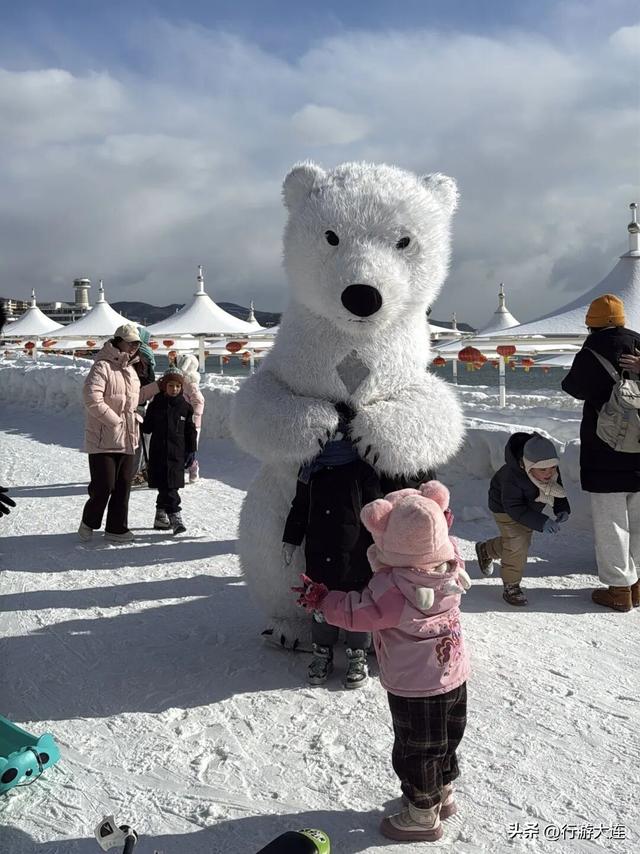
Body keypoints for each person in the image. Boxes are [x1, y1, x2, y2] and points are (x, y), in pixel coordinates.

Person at [294, 481, 470, 843]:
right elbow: (439, 536)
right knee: (443, 739)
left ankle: (422, 814)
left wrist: (323, 600)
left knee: (415, 748)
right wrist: (436, 520)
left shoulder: (394, 589)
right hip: (453, 676)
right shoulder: (450, 564)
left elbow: (358, 612)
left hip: (414, 685)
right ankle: (442, 791)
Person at [282, 404, 383, 688]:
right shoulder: (310, 469)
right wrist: (291, 539)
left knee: (356, 603)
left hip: (356, 551)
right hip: (319, 548)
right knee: (320, 601)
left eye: (339, 430)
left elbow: (376, 510)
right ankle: (322, 652)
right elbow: (300, 506)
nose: (334, 437)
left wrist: (382, 542)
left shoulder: (362, 470)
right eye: (330, 430)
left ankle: (357, 654)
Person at [561, 294, 640, 611]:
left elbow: (573, 387)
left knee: (612, 525)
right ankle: (638, 585)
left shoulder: (592, 351)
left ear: (591, 324)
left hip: (605, 453)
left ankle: (620, 590)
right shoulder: (638, 343)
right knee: (639, 522)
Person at [79, 324, 158, 543]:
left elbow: (135, 397)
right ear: (118, 341)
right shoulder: (102, 366)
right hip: (103, 437)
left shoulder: (131, 369)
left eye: (137, 343)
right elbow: (91, 398)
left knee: (124, 485)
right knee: (104, 486)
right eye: (130, 342)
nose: (134, 346)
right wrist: (114, 421)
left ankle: (117, 528)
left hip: (128, 436)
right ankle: (89, 521)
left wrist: (157, 386)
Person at [475, 432, 571, 606]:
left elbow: (556, 489)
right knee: (517, 543)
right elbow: (514, 507)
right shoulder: (512, 477)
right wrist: (542, 521)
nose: (549, 473)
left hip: (530, 509)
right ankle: (511, 585)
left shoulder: (549, 472)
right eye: (543, 469)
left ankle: (486, 550)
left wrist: (561, 508)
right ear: (528, 466)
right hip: (505, 509)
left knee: (517, 543)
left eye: (553, 467)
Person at [142, 368, 197, 535]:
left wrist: (191, 450)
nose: (174, 389)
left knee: (171, 486)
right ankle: (175, 516)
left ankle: (161, 515)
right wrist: (140, 417)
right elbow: (147, 428)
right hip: (159, 453)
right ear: (164, 386)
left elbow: (190, 430)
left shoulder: (185, 407)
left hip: (177, 454)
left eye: (178, 386)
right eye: (171, 385)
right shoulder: (155, 405)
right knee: (167, 486)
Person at [131, 326, 156, 486]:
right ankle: (137, 472)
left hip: (135, 404)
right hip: (140, 405)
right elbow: (150, 382)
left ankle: (134, 472)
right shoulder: (146, 356)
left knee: (136, 442)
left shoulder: (134, 356)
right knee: (140, 442)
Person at [176, 354, 205, 483]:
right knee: (177, 447)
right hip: (177, 421)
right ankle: (178, 471)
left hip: (191, 423)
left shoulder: (190, 383)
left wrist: (193, 416)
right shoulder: (177, 382)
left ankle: (193, 465)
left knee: (189, 447)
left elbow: (199, 401)